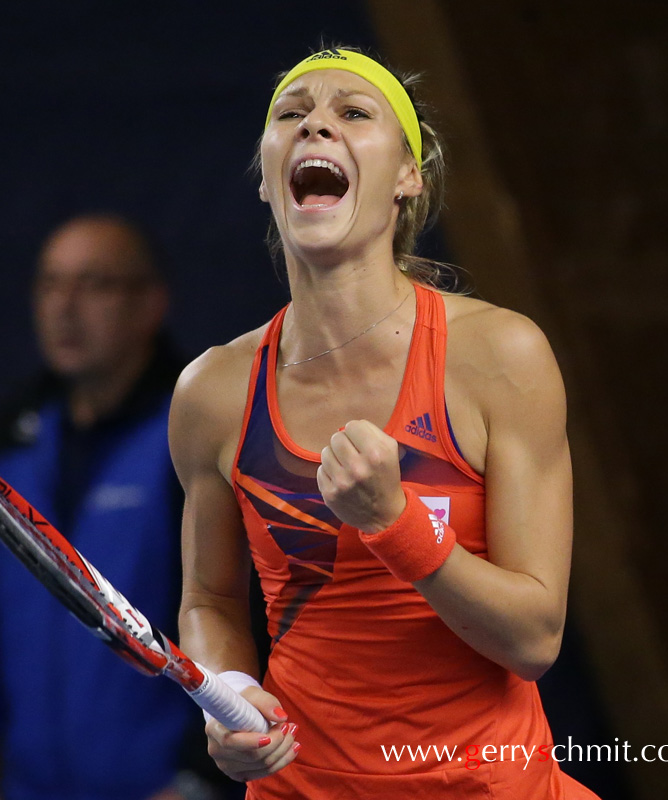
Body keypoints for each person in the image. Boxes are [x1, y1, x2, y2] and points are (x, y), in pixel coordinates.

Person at [170, 47, 601, 797]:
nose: (316, 128)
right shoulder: (212, 391)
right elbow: (209, 599)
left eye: (353, 113)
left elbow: (534, 639)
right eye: (292, 114)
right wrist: (230, 692)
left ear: (408, 179)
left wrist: (395, 523)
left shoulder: (502, 354)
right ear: (268, 180)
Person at [0, 215, 224, 800]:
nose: (65, 307)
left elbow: (243, 618)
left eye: (94, 284)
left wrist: (198, 781)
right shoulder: (13, 436)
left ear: (151, 303)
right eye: (50, 284)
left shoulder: (192, 434)